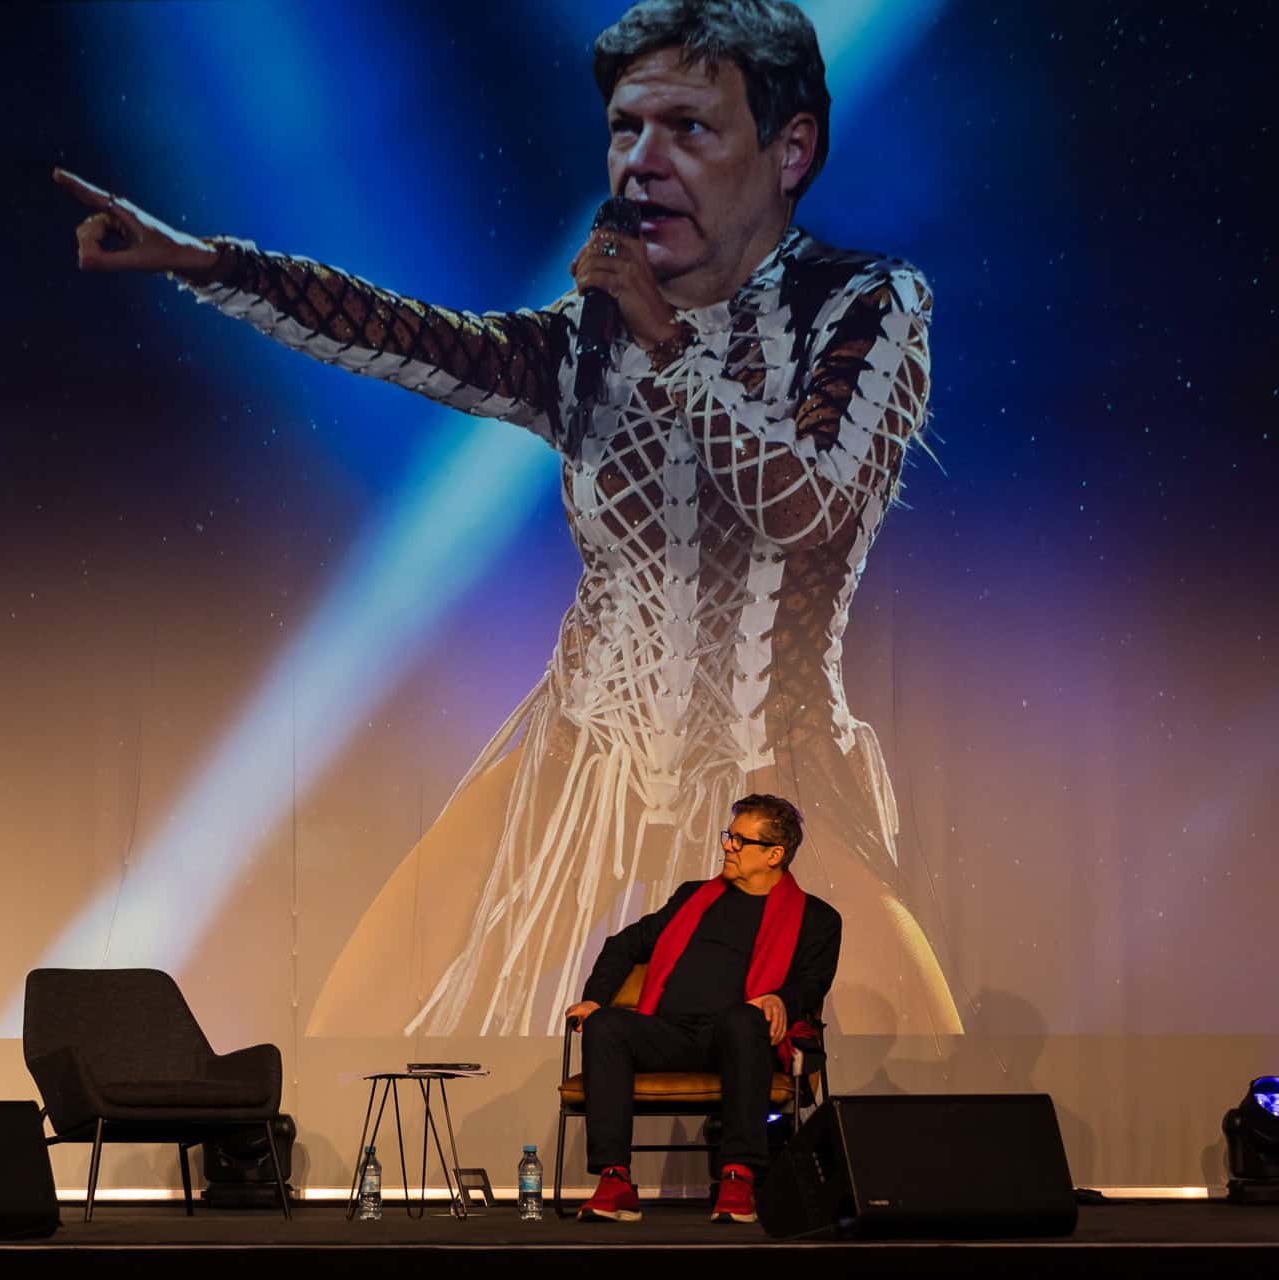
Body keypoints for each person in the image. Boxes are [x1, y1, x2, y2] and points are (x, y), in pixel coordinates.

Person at [55, 0, 960, 1040]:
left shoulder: (869, 306)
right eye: (626, 129)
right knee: (356, 1018)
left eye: (687, 128)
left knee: (916, 1048)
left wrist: (662, 338)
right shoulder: (591, 338)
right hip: (578, 757)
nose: (643, 161)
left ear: (790, 148)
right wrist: (207, 264)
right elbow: (405, 336)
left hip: (773, 774)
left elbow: (804, 503)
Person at [565, 794, 835, 1224]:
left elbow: (812, 982)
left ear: (774, 854)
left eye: (740, 840)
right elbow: (624, 945)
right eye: (729, 836)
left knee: (744, 1019)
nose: (727, 846)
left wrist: (781, 999)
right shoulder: (694, 898)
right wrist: (595, 999)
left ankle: (737, 1177)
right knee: (606, 1024)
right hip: (671, 1034)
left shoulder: (816, 918)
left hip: (742, 1042)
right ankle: (615, 1180)